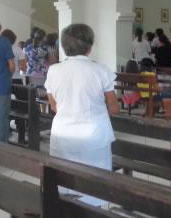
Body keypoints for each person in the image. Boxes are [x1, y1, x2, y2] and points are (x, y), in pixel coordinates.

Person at [45, 24, 119, 205]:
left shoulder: (54, 70)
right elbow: (114, 108)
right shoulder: (100, 70)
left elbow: (54, 106)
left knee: (64, 182)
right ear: (90, 46)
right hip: (94, 135)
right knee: (95, 184)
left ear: (64, 46)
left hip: (62, 134)